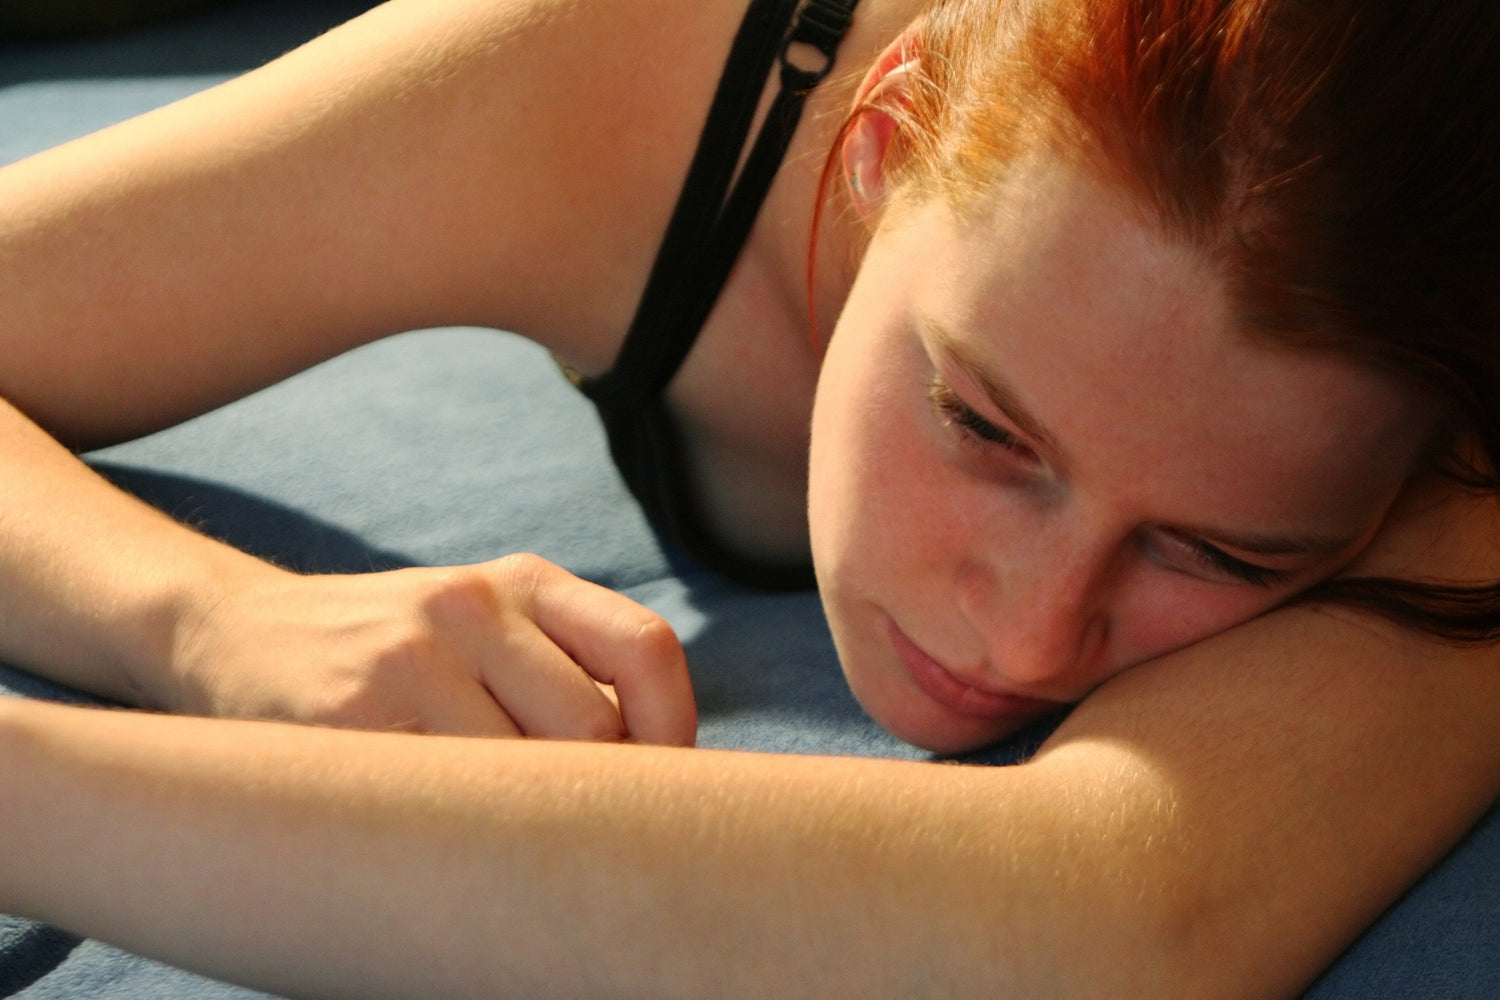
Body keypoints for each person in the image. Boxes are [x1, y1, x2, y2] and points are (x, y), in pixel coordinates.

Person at [0, 0, 1497, 995]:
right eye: (982, 424)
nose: (1031, 643)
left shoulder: (1446, 408)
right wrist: (200, 617)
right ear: (887, 143)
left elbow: (1112, 920)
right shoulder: (637, 74)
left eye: (1223, 549)